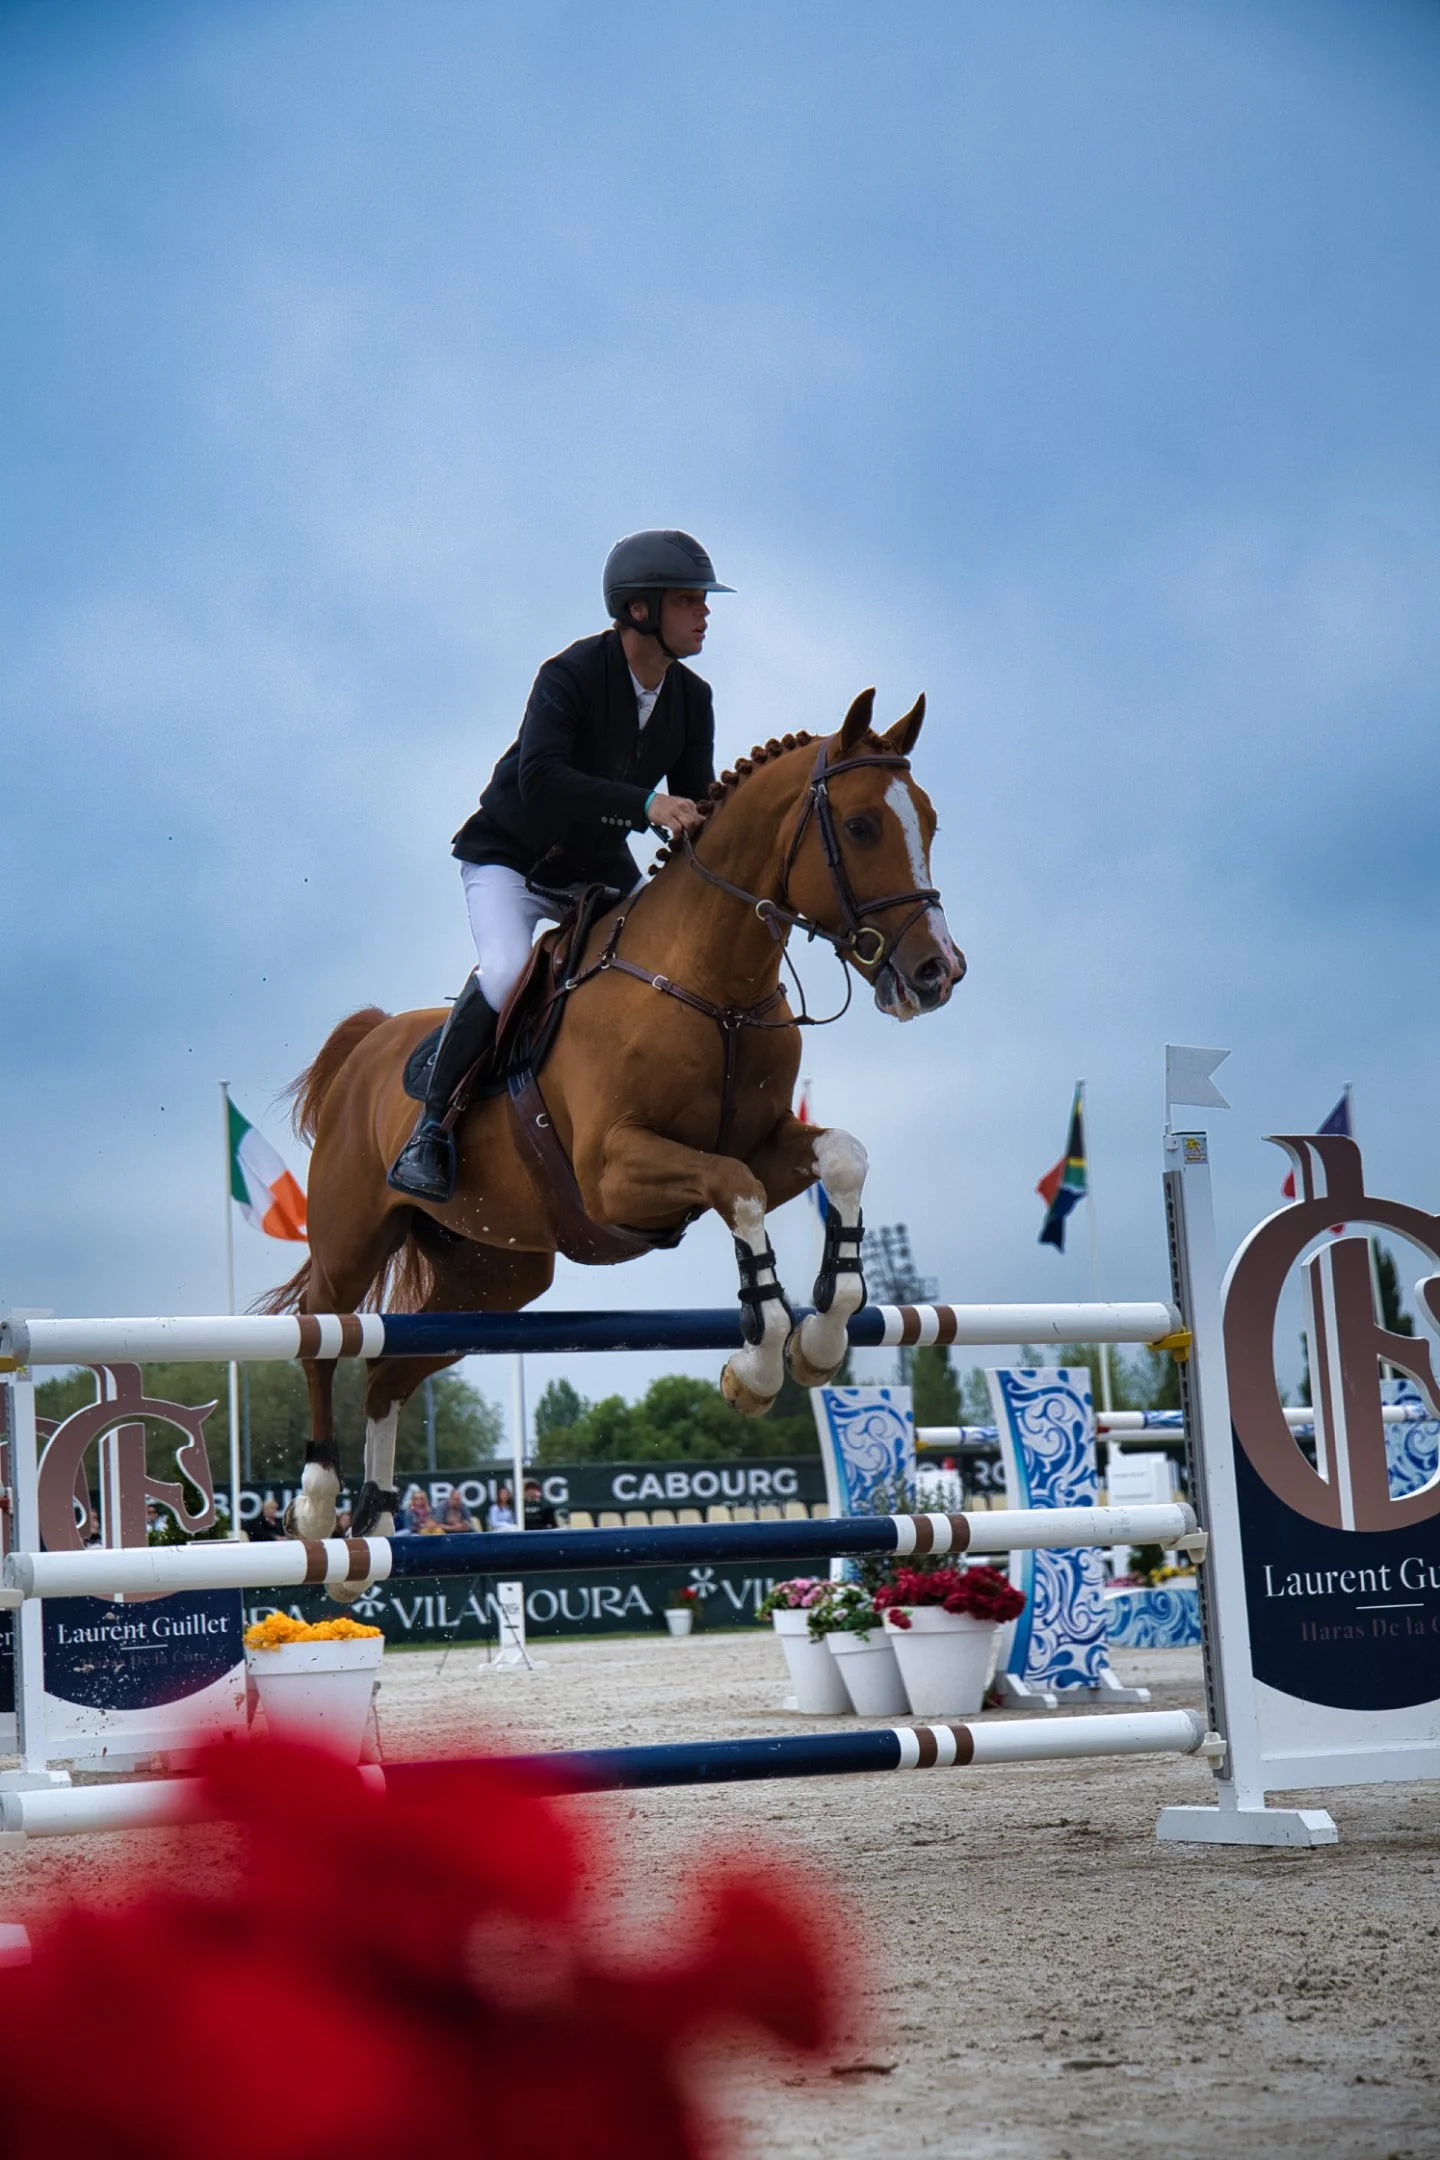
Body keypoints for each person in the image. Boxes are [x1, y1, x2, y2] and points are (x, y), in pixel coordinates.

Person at [388, 529, 732, 1201]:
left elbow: (694, 799)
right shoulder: (569, 675)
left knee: (663, 965)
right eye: (689, 600)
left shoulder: (694, 699)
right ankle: (430, 1130)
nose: (705, 613)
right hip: (510, 862)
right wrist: (647, 805)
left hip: (596, 868)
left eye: (702, 601)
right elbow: (542, 778)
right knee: (510, 972)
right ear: (640, 610)